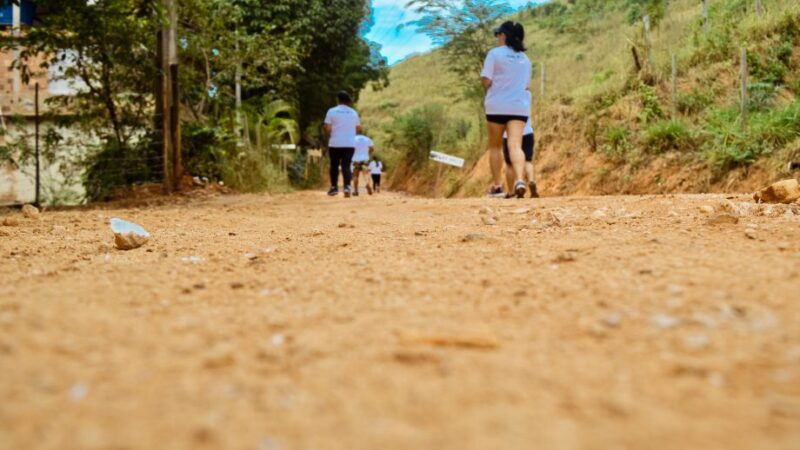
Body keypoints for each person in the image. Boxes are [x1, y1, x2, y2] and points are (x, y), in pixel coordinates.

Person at [480, 21, 531, 198]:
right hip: (518, 107)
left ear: (504, 36)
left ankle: (497, 186)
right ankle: (519, 180)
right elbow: (526, 85)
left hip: (497, 106)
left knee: (495, 147)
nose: (497, 38)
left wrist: (493, 87)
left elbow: (486, 80)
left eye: (499, 34)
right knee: (515, 145)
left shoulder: (494, 54)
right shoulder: (525, 59)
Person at [324, 91, 361, 197]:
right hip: (349, 144)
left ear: (338, 99)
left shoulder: (331, 111)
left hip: (335, 143)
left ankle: (334, 188)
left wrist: (330, 134)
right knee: (346, 165)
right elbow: (358, 128)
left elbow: (327, 127)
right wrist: (352, 135)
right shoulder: (353, 112)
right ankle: (347, 187)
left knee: (334, 165)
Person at [503, 92, 539, 198]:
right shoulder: (528, 94)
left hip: (510, 135)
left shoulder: (506, 95)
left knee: (510, 164)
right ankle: (531, 181)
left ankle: (511, 192)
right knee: (527, 160)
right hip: (527, 132)